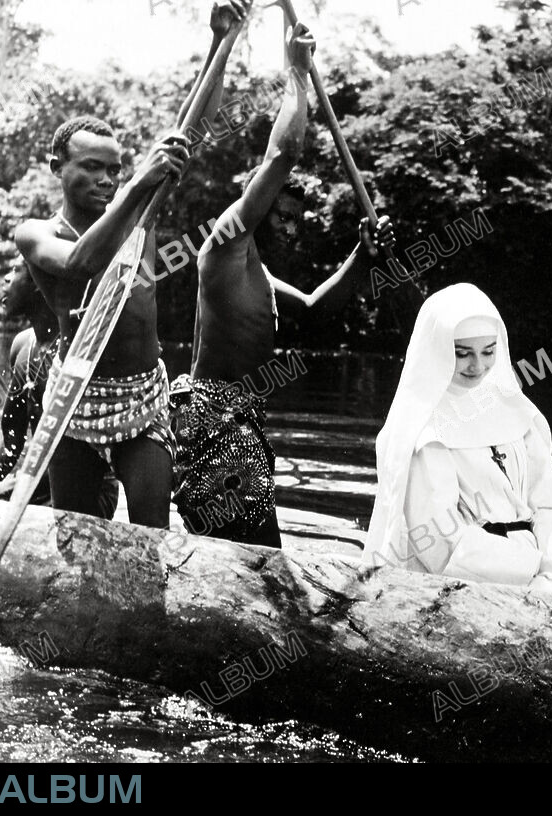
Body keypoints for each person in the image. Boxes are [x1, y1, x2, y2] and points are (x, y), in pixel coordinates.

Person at [13, 2, 247, 528]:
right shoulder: (36, 233)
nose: (106, 179)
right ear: (58, 168)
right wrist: (140, 181)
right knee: (72, 534)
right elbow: (79, 263)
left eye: (114, 170)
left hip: (141, 395)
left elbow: (193, 128)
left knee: (151, 535)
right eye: (91, 167)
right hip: (74, 394)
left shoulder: (140, 211)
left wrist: (222, 42)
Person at [173, 21, 396, 547]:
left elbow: (318, 310)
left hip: (237, 423)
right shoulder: (224, 246)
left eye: (299, 221)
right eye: (282, 217)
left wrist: (363, 257)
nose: (292, 230)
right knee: (257, 558)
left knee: (252, 559)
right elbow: (284, 155)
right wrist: (297, 72)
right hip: (214, 421)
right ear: (258, 211)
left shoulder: (262, 278)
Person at [363, 283, 552, 599]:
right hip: (470, 581)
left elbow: (548, 503)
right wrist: (539, 565)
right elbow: (440, 543)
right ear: (440, 351)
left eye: (488, 351)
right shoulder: (424, 431)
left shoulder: (516, 414)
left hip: (543, 567)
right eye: (463, 353)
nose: (478, 366)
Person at [0, 267, 119, 515]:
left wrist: (14, 488)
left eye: (15, 270)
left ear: (38, 281)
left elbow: (76, 458)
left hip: (87, 494)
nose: (6, 277)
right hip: (37, 486)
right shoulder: (23, 346)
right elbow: (10, 435)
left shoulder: (77, 353)